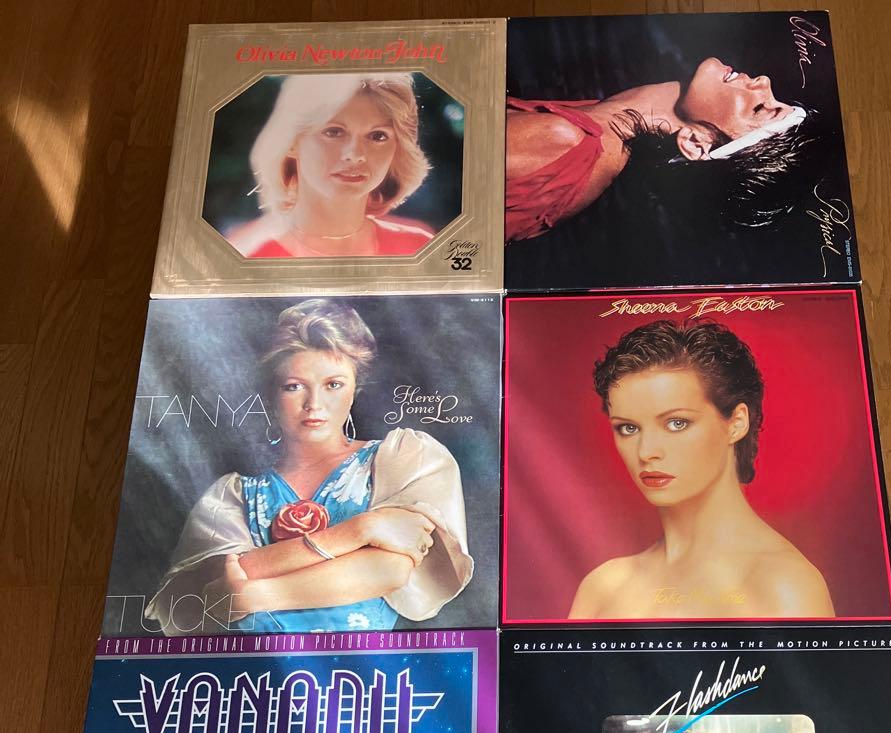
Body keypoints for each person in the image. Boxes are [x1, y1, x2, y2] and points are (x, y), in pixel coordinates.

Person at [145, 299, 472, 635]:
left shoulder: (401, 458)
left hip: (365, 663)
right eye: (294, 386)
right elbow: (212, 589)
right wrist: (362, 530)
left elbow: (390, 569)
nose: (314, 404)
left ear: (355, 389)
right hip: (257, 663)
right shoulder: (233, 495)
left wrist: (254, 595)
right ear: (271, 395)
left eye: (333, 385)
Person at [569, 319, 833, 620]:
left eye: (676, 423)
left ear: (736, 424)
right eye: (628, 428)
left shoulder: (785, 586)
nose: (646, 452)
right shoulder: (603, 587)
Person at [506, 58, 810, 242]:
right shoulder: (598, 129)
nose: (764, 82)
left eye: (759, 108)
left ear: (695, 143)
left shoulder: (566, 143)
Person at [228, 73, 435, 258]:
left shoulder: (420, 248)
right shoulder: (248, 254)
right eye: (334, 132)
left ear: (397, 149)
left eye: (377, 136)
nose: (355, 155)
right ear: (292, 142)